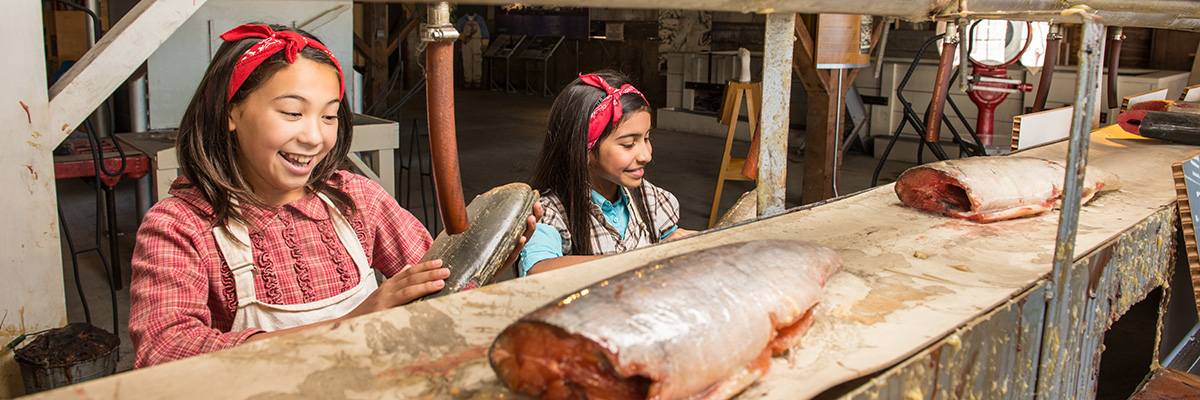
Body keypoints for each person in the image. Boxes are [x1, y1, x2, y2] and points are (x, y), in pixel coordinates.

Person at [128, 24, 534, 368]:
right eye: (291, 112)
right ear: (230, 112)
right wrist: (351, 323)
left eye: (329, 115)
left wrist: (487, 261)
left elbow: (433, 283)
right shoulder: (180, 225)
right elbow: (164, 354)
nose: (314, 136)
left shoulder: (357, 198)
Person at [519, 71, 696, 276]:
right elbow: (538, 271)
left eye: (647, 138)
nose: (646, 155)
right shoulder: (551, 212)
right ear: (584, 150)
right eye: (629, 144)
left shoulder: (652, 200)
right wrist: (645, 257)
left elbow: (672, 249)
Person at [455, 12, 488, 89]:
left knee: (477, 61)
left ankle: (477, 80)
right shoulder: (462, 20)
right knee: (466, 61)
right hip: (466, 43)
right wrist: (463, 39)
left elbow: (485, 32)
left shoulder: (480, 20)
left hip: (477, 42)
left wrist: (484, 43)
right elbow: (458, 32)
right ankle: (468, 80)